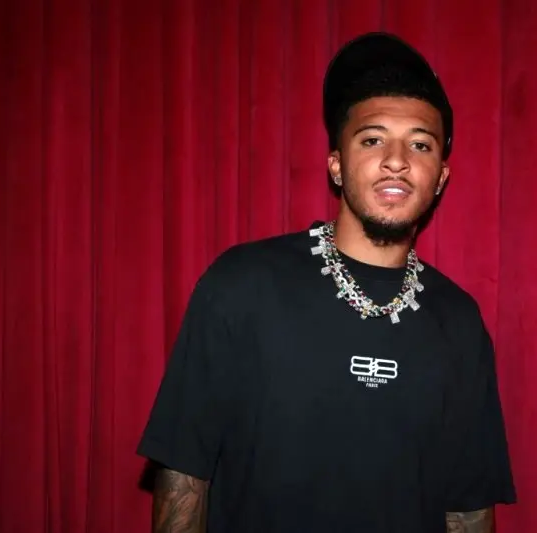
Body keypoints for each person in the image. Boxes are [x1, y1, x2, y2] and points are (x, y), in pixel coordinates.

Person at [137, 31, 516, 533]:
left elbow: (467, 506)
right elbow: (184, 472)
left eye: (420, 144)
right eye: (372, 139)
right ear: (337, 165)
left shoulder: (459, 321)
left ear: (440, 177)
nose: (397, 159)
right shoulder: (242, 285)